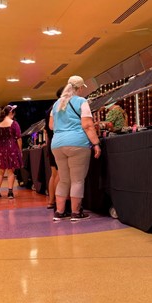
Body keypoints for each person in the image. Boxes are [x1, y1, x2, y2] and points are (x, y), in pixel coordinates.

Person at [49, 75, 101, 221]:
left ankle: (59, 212)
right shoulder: (81, 101)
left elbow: (51, 126)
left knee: (64, 179)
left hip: (57, 144)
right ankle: (76, 213)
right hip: (77, 143)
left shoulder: (56, 104)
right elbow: (87, 125)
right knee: (77, 180)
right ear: (78, 88)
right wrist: (96, 143)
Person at [0, 105, 23, 199]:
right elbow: (19, 138)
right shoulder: (14, 123)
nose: (14, 115)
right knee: (11, 171)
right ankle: (10, 192)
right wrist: (20, 150)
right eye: (13, 113)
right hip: (11, 149)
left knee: (0, 171)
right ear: (10, 113)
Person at [44, 86, 64, 209]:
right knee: (60, 174)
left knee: (54, 174)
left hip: (52, 143)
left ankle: (51, 201)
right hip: (59, 141)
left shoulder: (50, 110)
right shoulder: (60, 108)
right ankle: (59, 202)